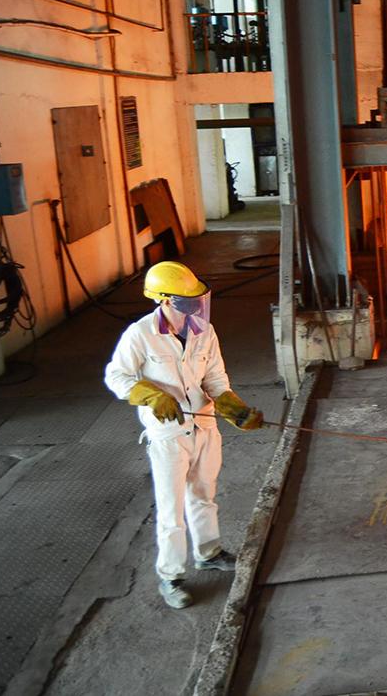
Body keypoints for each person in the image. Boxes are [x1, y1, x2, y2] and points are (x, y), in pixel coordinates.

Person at [104, 261, 264, 608]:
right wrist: (152, 395)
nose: (194, 306)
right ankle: (171, 576)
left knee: (204, 494)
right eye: (185, 299)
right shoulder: (140, 334)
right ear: (163, 299)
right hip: (168, 435)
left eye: (196, 298)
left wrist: (235, 409)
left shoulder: (204, 331)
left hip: (204, 426)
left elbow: (217, 380)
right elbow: (116, 377)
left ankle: (209, 552)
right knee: (171, 509)